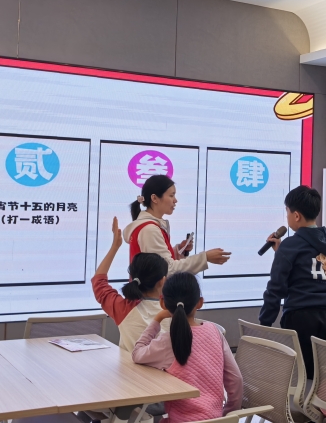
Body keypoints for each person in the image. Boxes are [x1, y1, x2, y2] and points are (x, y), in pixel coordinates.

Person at [258, 185, 326, 379]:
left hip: (302, 319)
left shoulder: (291, 245)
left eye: (287, 212)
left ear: (296, 215)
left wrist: (265, 322)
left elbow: (276, 288)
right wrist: (281, 252)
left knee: (302, 377)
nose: (287, 217)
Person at [132, 272, 243, 422]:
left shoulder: (168, 341)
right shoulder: (215, 332)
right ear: (200, 302)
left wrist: (157, 319)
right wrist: (227, 415)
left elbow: (137, 353)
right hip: (215, 419)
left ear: (163, 303)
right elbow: (236, 380)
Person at [123, 174, 230, 274]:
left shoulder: (150, 226)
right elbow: (167, 270)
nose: (175, 200)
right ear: (154, 198)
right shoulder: (150, 229)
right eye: (171, 195)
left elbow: (156, 262)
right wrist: (205, 257)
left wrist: (178, 250)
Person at [92, 217, 169, 352]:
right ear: (162, 281)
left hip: (129, 367)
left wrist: (115, 246)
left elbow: (98, 281)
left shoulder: (124, 308)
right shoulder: (174, 311)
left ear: (133, 277)